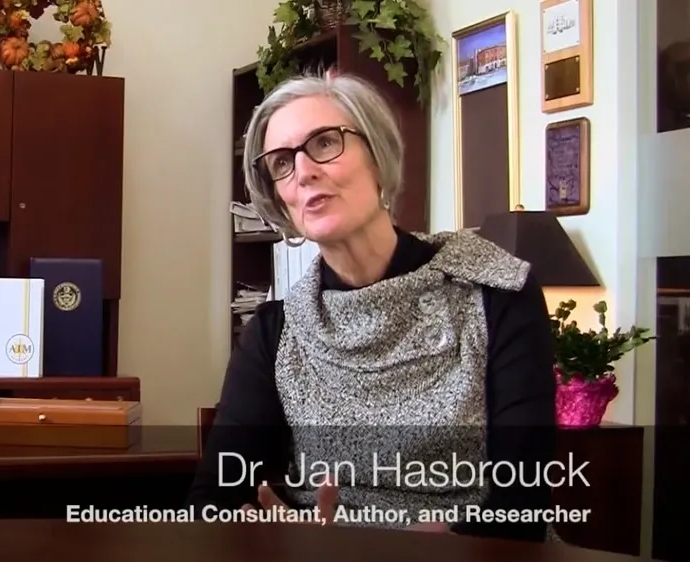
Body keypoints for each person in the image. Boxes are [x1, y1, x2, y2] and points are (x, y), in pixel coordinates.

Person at [186, 73, 557, 543]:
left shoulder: (497, 295)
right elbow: (212, 503)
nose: (303, 172)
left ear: (379, 158)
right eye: (282, 162)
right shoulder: (276, 331)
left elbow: (521, 505)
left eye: (324, 143)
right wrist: (270, 538)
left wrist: (439, 539)